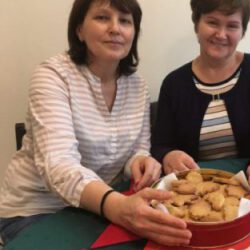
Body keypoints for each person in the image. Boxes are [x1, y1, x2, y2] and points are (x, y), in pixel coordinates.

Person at [0, 0, 191, 246]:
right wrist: (117, 206)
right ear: (79, 29)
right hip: (35, 210)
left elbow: (138, 150)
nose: (115, 28)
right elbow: (59, 165)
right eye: (102, 18)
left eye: (125, 21)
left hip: (97, 208)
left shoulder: (137, 85)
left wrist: (141, 162)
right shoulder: (52, 76)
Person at [151, 0, 250, 219]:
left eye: (232, 26)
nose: (221, 34)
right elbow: (159, 144)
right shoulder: (174, 84)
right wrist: (168, 154)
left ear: (242, 31)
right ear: (196, 24)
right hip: (195, 209)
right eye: (212, 22)